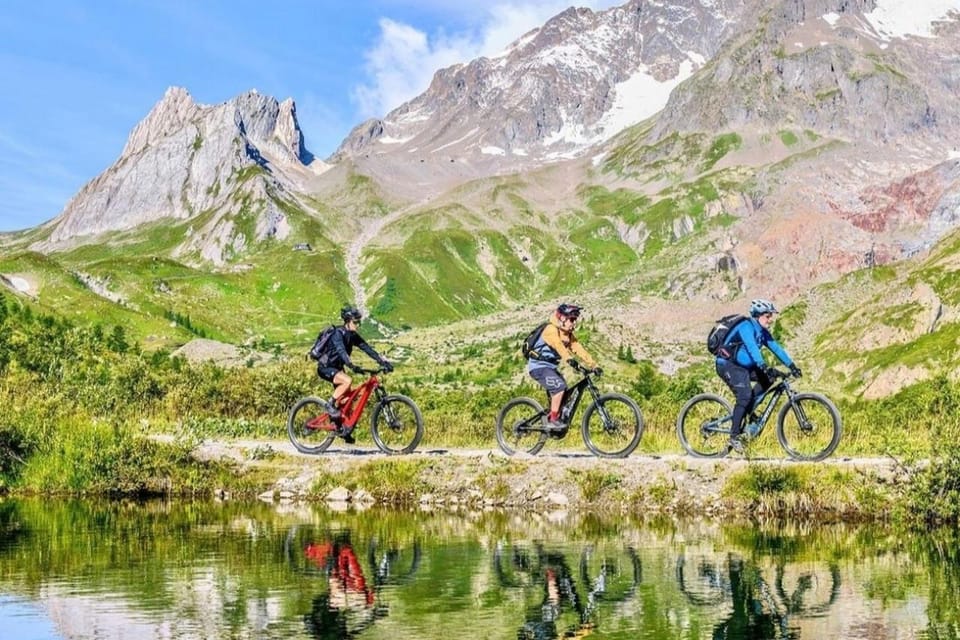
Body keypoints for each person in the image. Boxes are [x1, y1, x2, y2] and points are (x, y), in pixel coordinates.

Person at [715, 298, 801, 452]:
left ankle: (749, 410)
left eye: (770, 316)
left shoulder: (763, 332)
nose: (770, 320)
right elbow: (752, 348)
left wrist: (792, 366)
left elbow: (777, 348)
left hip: (744, 367)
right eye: (767, 316)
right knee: (744, 395)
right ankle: (734, 437)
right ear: (758, 315)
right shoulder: (746, 326)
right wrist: (762, 365)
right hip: (728, 364)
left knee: (770, 378)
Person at [315, 305, 393, 443]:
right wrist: (351, 365)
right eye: (355, 322)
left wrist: (383, 362)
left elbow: (367, 348)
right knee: (347, 381)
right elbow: (341, 351)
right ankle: (329, 404)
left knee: (347, 402)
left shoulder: (353, 336)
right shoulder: (337, 333)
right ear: (347, 321)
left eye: (359, 322)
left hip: (338, 369)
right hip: (325, 367)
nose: (358, 324)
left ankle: (341, 429)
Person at [527, 303, 600, 431]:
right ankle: (553, 420)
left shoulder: (567, 335)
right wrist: (569, 359)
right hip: (538, 367)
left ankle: (553, 414)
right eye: (571, 320)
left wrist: (594, 365)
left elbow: (578, 349)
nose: (574, 323)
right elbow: (558, 345)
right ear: (562, 318)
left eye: (575, 320)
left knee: (564, 389)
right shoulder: (550, 330)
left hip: (550, 367)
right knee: (559, 387)